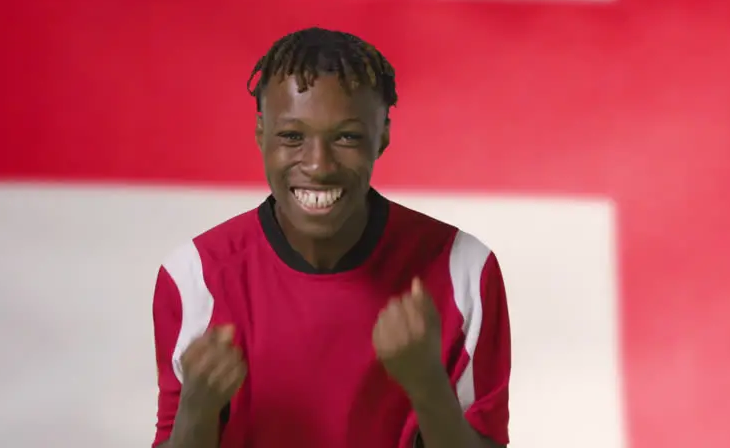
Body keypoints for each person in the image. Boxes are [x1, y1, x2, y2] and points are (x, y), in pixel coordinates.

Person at [151, 27, 510, 448]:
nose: (318, 165)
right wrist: (197, 409)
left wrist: (427, 385)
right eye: (292, 136)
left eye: (347, 137)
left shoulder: (462, 268)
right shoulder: (195, 276)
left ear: (384, 136)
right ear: (260, 133)